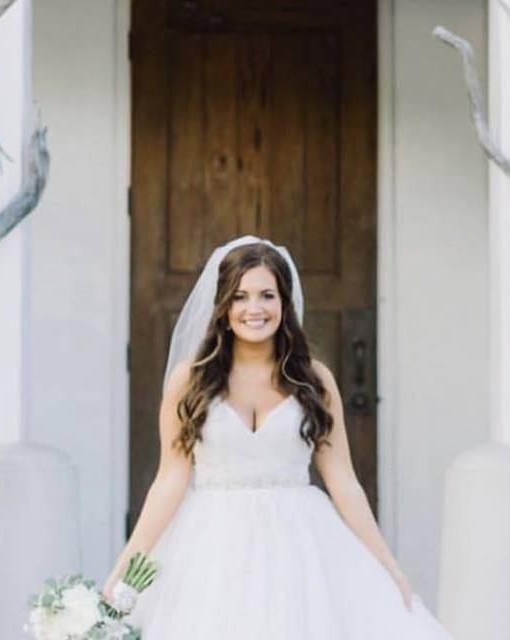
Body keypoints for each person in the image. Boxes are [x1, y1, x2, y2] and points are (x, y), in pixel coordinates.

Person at [103, 235, 451, 639]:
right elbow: (169, 479)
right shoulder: (190, 379)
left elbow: (344, 481)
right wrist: (126, 566)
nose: (254, 309)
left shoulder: (314, 380)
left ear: (284, 303)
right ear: (223, 306)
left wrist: (388, 565)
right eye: (240, 296)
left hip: (300, 543)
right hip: (213, 545)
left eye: (267, 295)